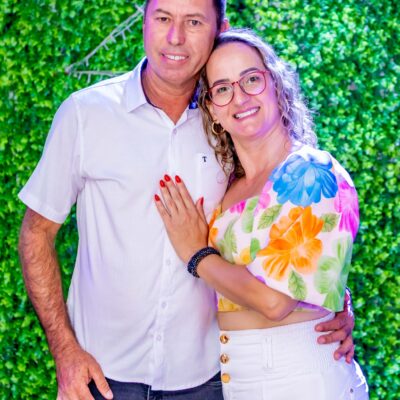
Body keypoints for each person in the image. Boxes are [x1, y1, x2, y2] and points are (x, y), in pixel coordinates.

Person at [18, 1, 355, 399]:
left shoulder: (231, 126)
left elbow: (294, 227)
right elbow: (36, 233)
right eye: (163, 18)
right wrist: (64, 350)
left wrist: (327, 297)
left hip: (208, 380)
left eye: (193, 21)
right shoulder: (86, 113)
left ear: (219, 29)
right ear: (144, 21)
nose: (175, 37)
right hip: (104, 375)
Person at [154, 28, 369, 399]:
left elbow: (275, 302)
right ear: (212, 109)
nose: (240, 97)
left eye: (251, 79)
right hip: (239, 377)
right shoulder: (227, 186)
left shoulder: (311, 171)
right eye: (223, 88)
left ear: (276, 84)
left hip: (302, 378)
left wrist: (197, 254)